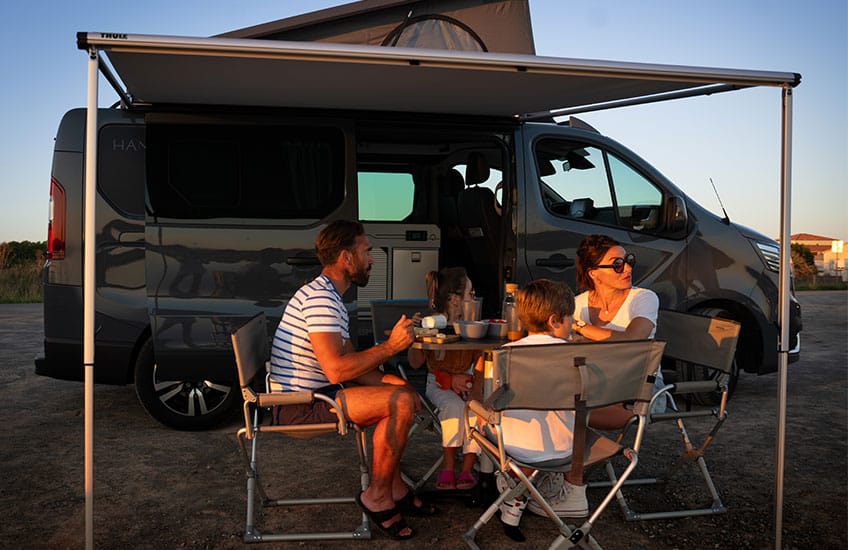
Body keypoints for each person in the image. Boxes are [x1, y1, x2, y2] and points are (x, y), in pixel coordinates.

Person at [269, 220, 434, 541]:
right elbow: (337, 370)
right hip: (299, 406)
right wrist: (391, 347)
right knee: (398, 404)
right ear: (346, 257)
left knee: (400, 392)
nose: (372, 259)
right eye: (366, 252)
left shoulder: (329, 296)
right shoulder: (321, 300)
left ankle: (394, 488)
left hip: (321, 394)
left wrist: (394, 381)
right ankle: (378, 497)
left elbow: (353, 365)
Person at [478, 279, 588, 541]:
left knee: (485, 417)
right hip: (568, 449)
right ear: (554, 321)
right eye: (570, 319)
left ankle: (513, 488)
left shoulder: (505, 354)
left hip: (515, 447)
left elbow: (490, 402)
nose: (572, 325)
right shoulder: (578, 356)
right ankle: (522, 490)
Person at [570, 234, 665, 429]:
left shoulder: (643, 298)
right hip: (595, 384)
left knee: (563, 408)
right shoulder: (578, 304)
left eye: (628, 261)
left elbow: (633, 339)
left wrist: (579, 327)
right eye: (617, 265)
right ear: (593, 273)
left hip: (639, 390)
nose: (628, 268)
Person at [407, 267, 481, 491]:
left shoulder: (474, 325)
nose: (474, 299)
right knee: (454, 408)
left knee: (476, 410)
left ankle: (467, 468)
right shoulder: (432, 324)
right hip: (437, 383)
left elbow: (481, 360)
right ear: (454, 299)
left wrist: (474, 389)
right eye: (470, 294)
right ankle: (448, 467)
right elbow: (415, 363)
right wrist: (415, 335)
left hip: (468, 380)